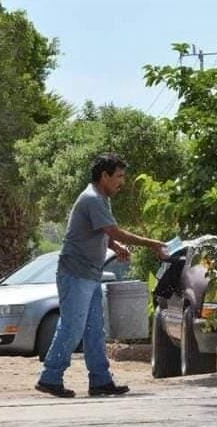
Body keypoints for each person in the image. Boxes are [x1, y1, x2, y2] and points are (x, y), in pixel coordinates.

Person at [36, 153, 167, 398]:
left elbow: (101, 232)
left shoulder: (102, 199)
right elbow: (113, 230)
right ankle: (50, 377)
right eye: (118, 176)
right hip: (76, 273)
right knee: (72, 328)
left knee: (95, 330)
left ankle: (100, 380)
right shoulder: (93, 198)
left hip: (90, 274)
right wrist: (152, 244)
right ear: (104, 176)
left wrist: (115, 247)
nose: (122, 182)